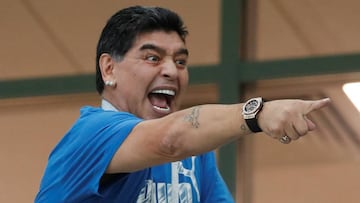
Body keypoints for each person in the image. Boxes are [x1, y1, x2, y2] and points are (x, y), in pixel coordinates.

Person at [35, 6, 331, 203]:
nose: (171, 71)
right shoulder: (92, 133)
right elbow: (170, 139)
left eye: (181, 61)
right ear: (109, 69)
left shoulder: (194, 157)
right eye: (152, 58)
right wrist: (258, 113)